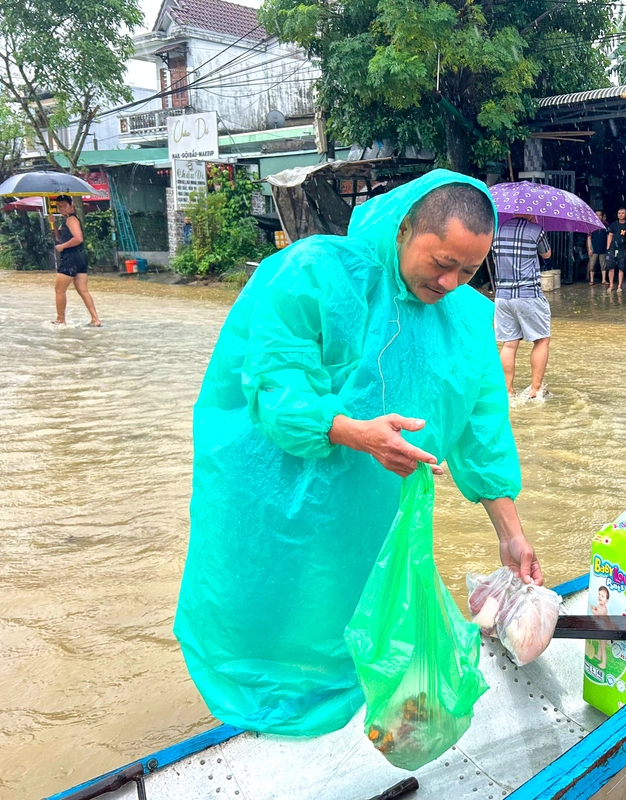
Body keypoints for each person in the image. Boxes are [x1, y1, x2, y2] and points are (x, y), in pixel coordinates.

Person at [174, 170, 544, 737]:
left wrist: (511, 533)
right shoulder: (315, 273)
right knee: (268, 605)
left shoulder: (468, 320)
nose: (450, 282)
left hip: (369, 507)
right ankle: (254, 715)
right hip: (279, 491)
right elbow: (274, 385)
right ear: (403, 230)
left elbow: (483, 433)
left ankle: (347, 709)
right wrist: (355, 432)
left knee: (352, 607)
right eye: (441, 262)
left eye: (469, 271)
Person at [492, 213, 552, 400]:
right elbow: (547, 254)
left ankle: (507, 391)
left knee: (509, 344)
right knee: (541, 340)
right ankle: (535, 389)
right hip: (528, 295)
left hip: (502, 296)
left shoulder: (496, 231)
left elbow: (494, 258)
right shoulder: (536, 230)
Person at [52, 195, 102, 326]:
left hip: (71, 258)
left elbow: (78, 238)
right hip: (80, 258)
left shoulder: (71, 219)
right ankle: (95, 319)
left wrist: (63, 246)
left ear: (71, 206)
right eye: (59, 206)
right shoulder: (67, 220)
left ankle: (60, 319)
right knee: (83, 290)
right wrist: (53, 224)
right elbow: (59, 238)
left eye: (64, 205)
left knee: (59, 290)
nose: (62, 208)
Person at [605, 207, 626, 292]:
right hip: (612, 248)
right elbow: (610, 236)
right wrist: (608, 248)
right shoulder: (613, 224)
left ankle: (619, 286)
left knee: (621, 268)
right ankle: (611, 285)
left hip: (622, 249)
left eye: (623, 213)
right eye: (619, 213)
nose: (621, 215)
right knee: (611, 267)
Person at [587, 210, 609, 285]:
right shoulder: (591, 225)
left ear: (602, 216)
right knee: (592, 265)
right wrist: (589, 249)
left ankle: (603, 280)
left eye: (600, 215)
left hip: (603, 248)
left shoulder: (605, 225)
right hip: (594, 248)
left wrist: (607, 247)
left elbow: (608, 237)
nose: (598, 217)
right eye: (597, 215)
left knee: (603, 265)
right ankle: (591, 280)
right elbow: (589, 238)